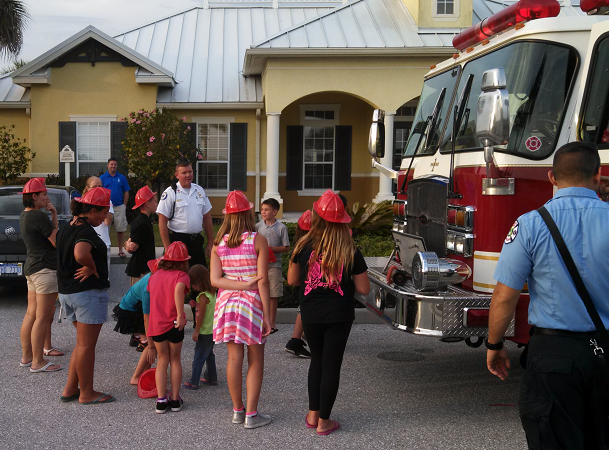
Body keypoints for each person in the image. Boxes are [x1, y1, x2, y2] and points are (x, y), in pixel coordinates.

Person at [486, 142, 609, 449]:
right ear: (598, 176)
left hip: (553, 355)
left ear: (552, 177)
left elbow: (504, 295)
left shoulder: (530, 224)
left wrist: (494, 344)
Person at [288, 190, 370, 436]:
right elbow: (363, 288)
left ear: (317, 217)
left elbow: (292, 280)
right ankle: (325, 421)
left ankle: (313, 414)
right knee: (331, 365)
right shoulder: (350, 249)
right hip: (339, 314)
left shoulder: (302, 245)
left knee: (317, 360)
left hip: (311, 313)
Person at [211, 190, 272, 429]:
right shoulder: (258, 240)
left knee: (233, 358)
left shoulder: (218, 243)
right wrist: (268, 316)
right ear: (248, 212)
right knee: (256, 359)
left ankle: (237, 410)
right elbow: (263, 281)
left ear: (227, 215)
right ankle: (252, 415)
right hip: (252, 303)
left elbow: (215, 280)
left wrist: (237, 284)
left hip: (226, 304)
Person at [57, 187, 114, 404]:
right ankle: (87, 393)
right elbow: (80, 253)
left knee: (81, 344)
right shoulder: (85, 231)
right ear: (91, 210)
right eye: (103, 212)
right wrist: (90, 266)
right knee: (86, 346)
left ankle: (70, 388)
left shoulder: (67, 227)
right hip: (86, 293)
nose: (104, 217)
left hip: (67, 293)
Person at [18, 178, 62, 372]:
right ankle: (38, 362)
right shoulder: (38, 216)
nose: (47, 197)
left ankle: (27, 357)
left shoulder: (25, 215)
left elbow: (50, 234)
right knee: (42, 318)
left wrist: (52, 213)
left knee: (31, 314)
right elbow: (56, 241)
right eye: (44, 194)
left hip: (32, 268)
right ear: (34, 196)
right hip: (45, 269)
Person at [147, 241, 190, 414]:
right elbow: (179, 290)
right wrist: (180, 315)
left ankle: (161, 400)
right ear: (183, 261)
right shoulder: (182, 276)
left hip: (157, 324)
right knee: (175, 360)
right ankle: (175, 400)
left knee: (162, 360)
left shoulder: (154, 276)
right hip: (174, 323)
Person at [156, 159, 214, 268]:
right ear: (177, 175)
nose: (188, 175)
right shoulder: (170, 193)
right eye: (184, 173)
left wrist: (211, 243)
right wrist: (168, 247)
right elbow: (162, 221)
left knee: (200, 277)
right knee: (178, 277)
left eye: (190, 172)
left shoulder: (199, 190)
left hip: (196, 242)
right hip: (177, 241)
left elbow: (207, 218)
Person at [112, 258, 160, 386]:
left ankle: (146, 372)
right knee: (150, 343)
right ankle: (136, 377)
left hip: (135, 307)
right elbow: (146, 317)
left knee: (152, 342)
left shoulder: (153, 277)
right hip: (131, 310)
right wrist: (150, 344)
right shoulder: (148, 288)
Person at [124, 185, 158, 352]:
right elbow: (132, 246)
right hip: (141, 269)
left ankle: (137, 334)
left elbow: (130, 242)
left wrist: (128, 243)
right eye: (154, 200)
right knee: (141, 303)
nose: (156, 202)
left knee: (140, 302)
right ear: (146, 203)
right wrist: (128, 245)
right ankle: (140, 337)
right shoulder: (142, 223)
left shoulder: (144, 221)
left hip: (143, 267)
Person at [256, 198, 290, 333]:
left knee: (273, 294)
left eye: (267, 210)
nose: (263, 212)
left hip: (274, 265)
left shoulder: (281, 228)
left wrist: (271, 249)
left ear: (275, 212)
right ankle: (260, 320)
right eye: (262, 209)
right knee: (259, 293)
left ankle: (272, 322)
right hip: (260, 265)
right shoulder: (258, 227)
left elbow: (286, 248)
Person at [183, 264, 217, 390]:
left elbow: (201, 314)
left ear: (201, 282)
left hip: (204, 331)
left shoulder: (203, 296)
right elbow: (206, 309)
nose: (193, 287)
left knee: (199, 356)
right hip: (212, 330)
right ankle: (211, 377)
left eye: (194, 284)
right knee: (209, 354)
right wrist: (196, 305)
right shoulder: (212, 292)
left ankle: (194, 380)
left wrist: (196, 331)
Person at [285, 210, 312, 358]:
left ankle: (299, 338)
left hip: (300, 285)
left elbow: (291, 278)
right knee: (303, 310)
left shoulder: (297, 247)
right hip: (307, 284)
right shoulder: (314, 247)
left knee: (302, 309)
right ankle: (295, 341)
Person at [100, 157, 130, 258]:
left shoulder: (121, 178)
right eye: (111, 164)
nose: (113, 166)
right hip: (106, 207)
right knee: (105, 227)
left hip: (119, 206)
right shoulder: (103, 178)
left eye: (115, 164)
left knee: (120, 229)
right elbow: (99, 191)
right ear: (108, 165)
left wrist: (124, 205)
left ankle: (120, 249)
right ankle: (104, 247)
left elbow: (126, 191)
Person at [82, 177, 114, 272]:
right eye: (94, 187)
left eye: (100, 186)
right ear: (87, 188)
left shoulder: (108, 202)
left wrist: (104, 203)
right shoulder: (83, 202)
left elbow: (108, 221)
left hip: (102, 243)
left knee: (103, 276)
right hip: (86, 244)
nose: (97, 189)